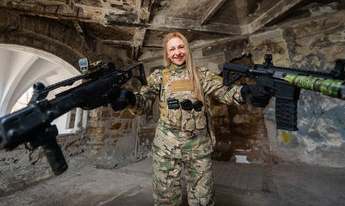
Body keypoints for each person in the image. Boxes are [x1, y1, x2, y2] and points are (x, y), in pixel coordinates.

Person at [110, 31, 270, 206]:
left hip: (198, 147)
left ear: (187, 48)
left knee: (203, 199)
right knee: (166, 199)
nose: (177, 53)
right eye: (172, 49)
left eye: (181, 47)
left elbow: (224, 92)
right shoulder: (159, 77)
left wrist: (245, 92)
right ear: (167, 54)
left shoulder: (201, 75)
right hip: (166, 148)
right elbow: (144, 103)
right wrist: (130, 100)